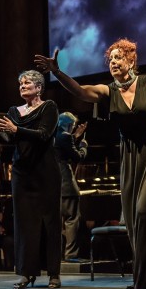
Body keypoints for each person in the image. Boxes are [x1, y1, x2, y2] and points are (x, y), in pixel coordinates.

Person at [34, 38, 146, 289]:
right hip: (129, 155)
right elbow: (81, 91)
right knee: (135, 220)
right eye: (111, 59)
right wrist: (57, 72)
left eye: (118, 58)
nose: (113, 62)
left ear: (131, 60)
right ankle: (145, 278)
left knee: (144, 208)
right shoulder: (108, 91)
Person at [0, 70, 62, 289]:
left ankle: (54, 273)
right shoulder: (13, 111)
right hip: (21, 172)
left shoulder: (49, 107)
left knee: (49, 223)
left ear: (38, 87)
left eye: (27, 83)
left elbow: (44, 134)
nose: (22, 86)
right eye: (20, 83)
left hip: (45, 172)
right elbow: (9, 138)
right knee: (24, 224)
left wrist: (17, 129)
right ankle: (26, 273)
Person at [54, 111, 88, 262]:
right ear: (68, 125)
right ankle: (71, 255)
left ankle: (55, 255)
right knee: (72, 219)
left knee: (54, 221)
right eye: (72, 126)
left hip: (52, 185)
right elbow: (77, 157)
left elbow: (63, 148)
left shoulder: (51, 135)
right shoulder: (65, 136)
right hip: (66, 184)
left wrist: (75, 136)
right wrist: (83, 146)